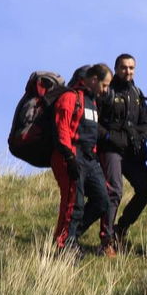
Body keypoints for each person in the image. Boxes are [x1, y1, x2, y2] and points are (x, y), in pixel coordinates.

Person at [51, 63, 113, 254]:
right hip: (71, 155)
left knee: (103, 200)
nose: (106, 90)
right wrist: (69, 158)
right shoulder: (70, 97)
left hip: (89, 158)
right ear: (94, 80)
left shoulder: (92, 102)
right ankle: (65, 245)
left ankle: (71, 236)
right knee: (73, 202)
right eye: (104, 85)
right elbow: (62, 128)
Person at [96, 53, 147, 256]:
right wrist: (110, 137)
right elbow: (95, 122)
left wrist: (140, 138)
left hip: (132, 152)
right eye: (123, 67)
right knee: (115, 192)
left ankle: (121, 229)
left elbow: (145, 123)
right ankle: (107, 241)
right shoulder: (106, 92)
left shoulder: (137, 94)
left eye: (131, 68)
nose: (127, 71)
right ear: (116, 68)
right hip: (111, 149)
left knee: (146, 188)